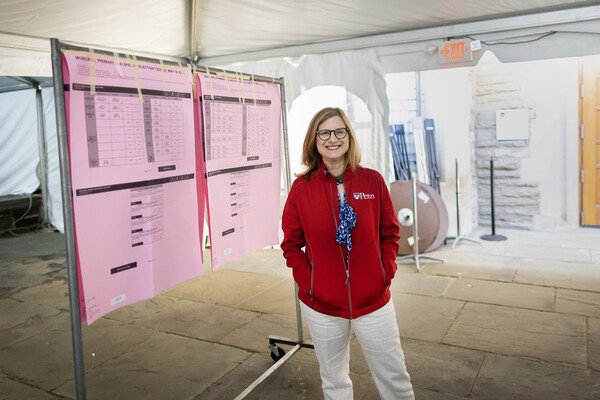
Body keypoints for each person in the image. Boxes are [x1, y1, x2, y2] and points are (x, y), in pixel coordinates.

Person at [281, 107, 415, 400]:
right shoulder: (301, 189)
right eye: (324, 132)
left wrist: (384, 273)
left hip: (374, 300)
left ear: (349, 137)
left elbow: (390, 233)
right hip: (323, 306)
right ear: (314, 140)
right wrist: (311, 283)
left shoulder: (373, 181)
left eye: (339, 131)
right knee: (334, 381)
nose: (333, 138)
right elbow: (291, 246)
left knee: (395, 379)